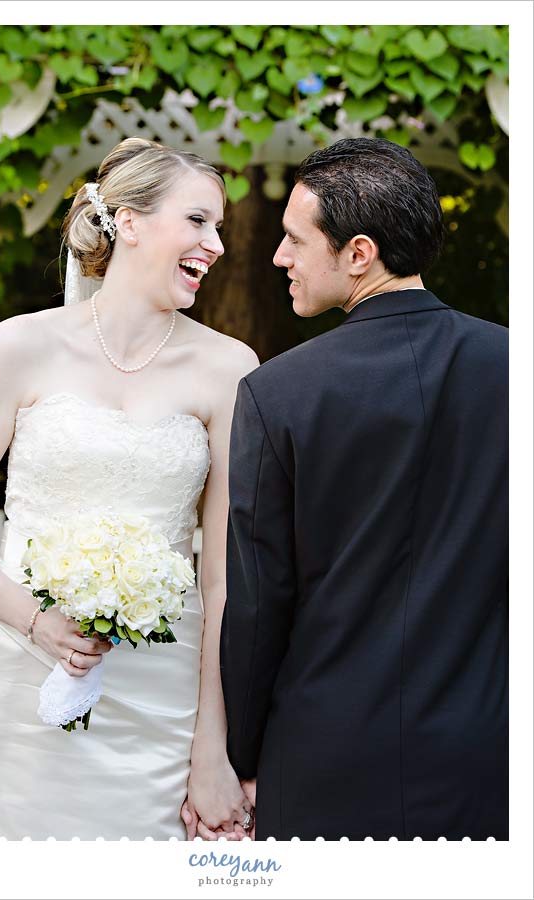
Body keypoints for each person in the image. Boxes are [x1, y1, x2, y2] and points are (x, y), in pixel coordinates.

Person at [0, 137, 259, 840]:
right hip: (16, 674)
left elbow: (221, 577)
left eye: (219, 227)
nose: (216, 245)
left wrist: (213, 749)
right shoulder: (19, 345)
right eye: (198, 221)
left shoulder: (230, 369)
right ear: (128, 223)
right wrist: (35, 621)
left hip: (162, 691)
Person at [220, 137, 508, 840]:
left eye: (294, 239)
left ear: (359, 254)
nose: (278, 257)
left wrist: (244, 755)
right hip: (488, 751)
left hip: (323, 756)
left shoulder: (276, 393)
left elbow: (257, 604)